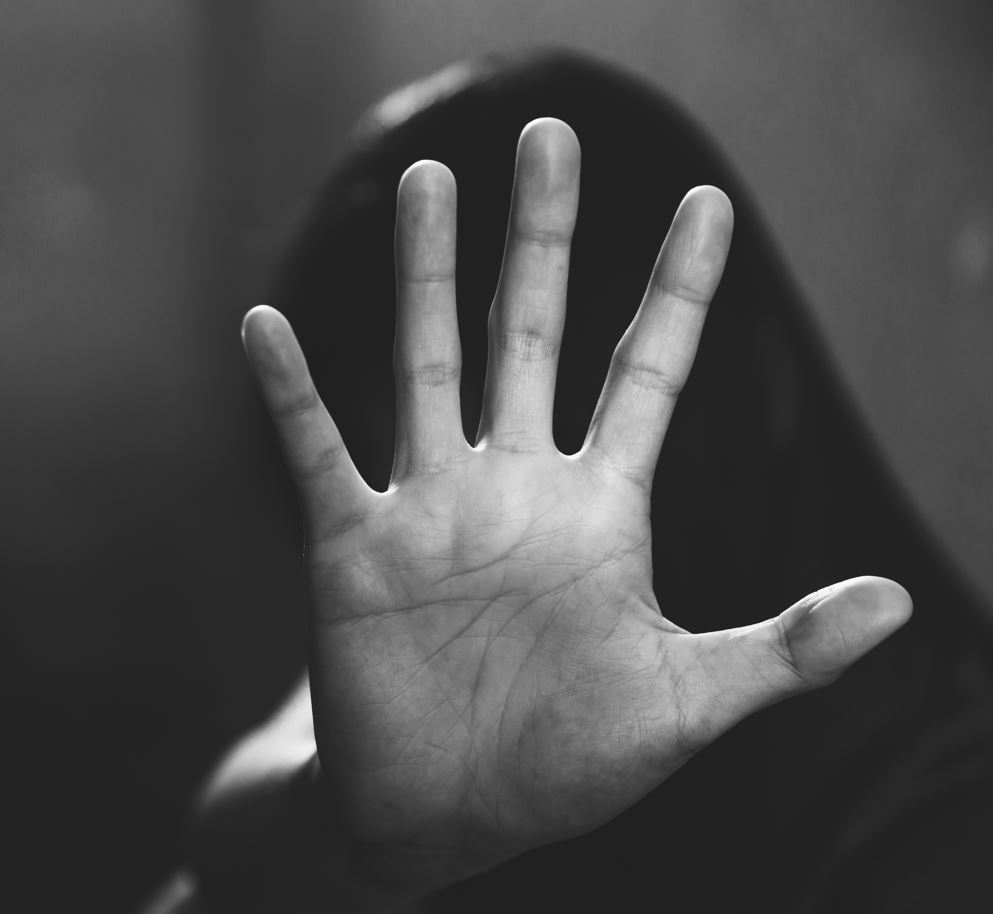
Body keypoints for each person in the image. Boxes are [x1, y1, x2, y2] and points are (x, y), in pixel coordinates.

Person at [147, 53, 993, 913]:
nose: (470, 525)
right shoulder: (438, 681)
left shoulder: (935, 816)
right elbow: (220, 855)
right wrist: (342, 834)